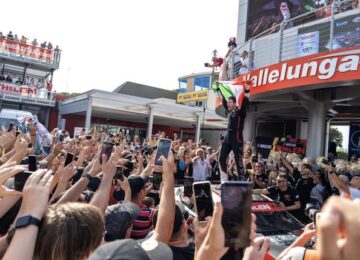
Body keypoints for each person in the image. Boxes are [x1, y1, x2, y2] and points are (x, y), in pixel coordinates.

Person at [216, 81, 250, 181]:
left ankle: (242, 182)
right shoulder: (230, 111)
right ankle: (224, 181)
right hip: (227, 138)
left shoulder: (240, 112)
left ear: (235, 103)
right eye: (228, 102)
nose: (227, 104)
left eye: (229, 102)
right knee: (221, 159)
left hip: (237, 139)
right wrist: (218, 89)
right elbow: (222, 100)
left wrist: (247, 89)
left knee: (238, 162)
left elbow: (246, 101)